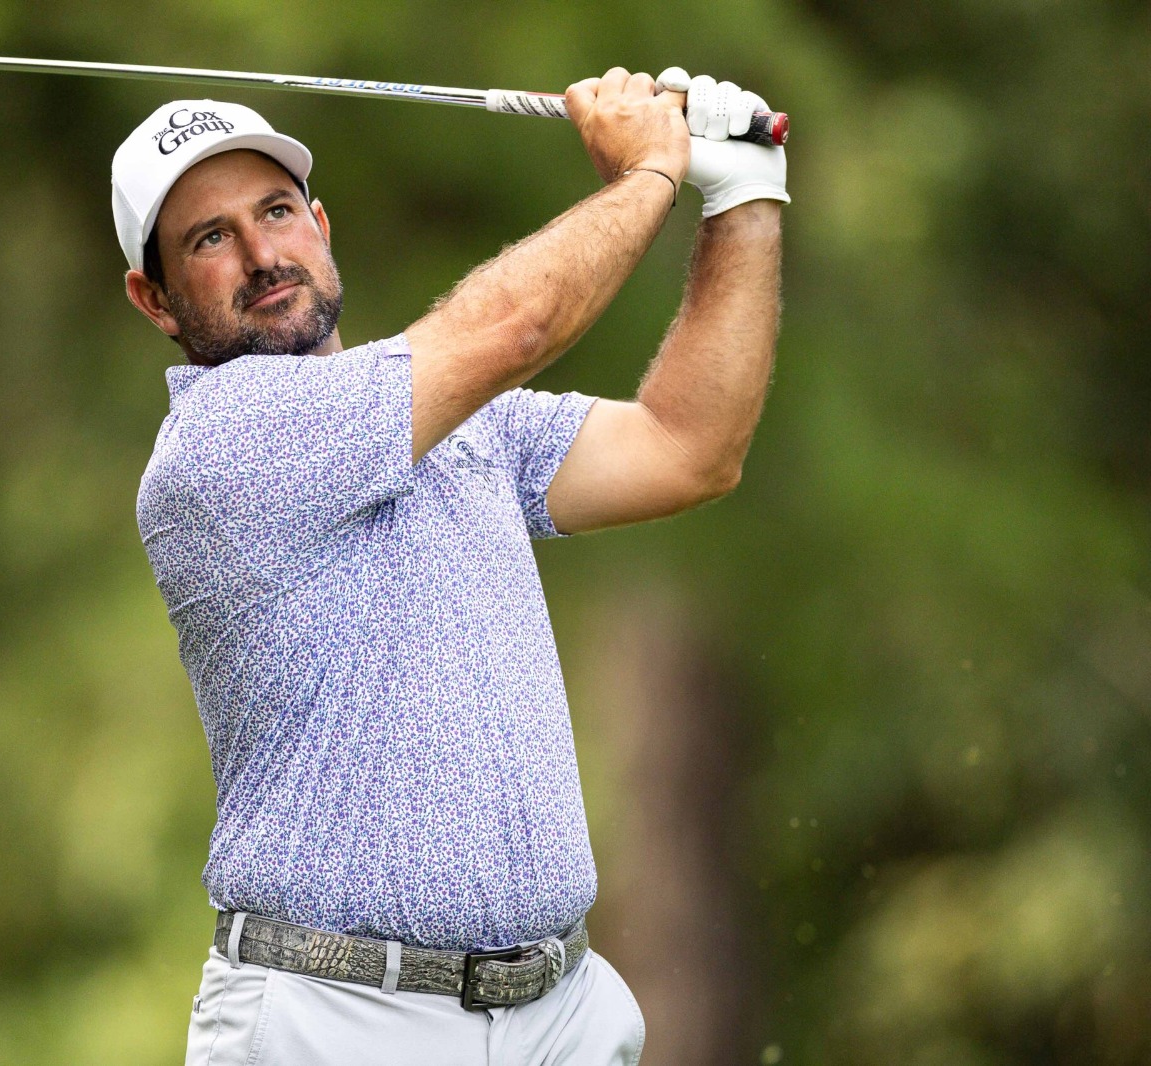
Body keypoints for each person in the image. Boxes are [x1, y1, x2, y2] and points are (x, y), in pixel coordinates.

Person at [112, 65, 787, 1066]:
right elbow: (515, 327)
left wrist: (743, 198)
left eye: (276, 211)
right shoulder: (217, 449)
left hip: (557, 1012)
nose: (262, 254)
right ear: (154, 299)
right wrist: (650, 170)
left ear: (321, 225)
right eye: (209, 239)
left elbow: (689, 446)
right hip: (339, 1022)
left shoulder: (459, 425)